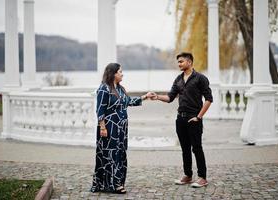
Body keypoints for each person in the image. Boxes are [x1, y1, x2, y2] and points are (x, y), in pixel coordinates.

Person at [151, 52, 213, 188]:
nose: (179, 64)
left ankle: (202, 177)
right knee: (185, 149)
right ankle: (188, 175)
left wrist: (198, 117)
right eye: (178, 62)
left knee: (197, 148)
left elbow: (209, 99)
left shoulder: (200, 78)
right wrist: (157, 97)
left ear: (189, 62)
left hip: (194, 118)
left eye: (181, 61)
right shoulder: (178, 79)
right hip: (180, 119)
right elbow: (170, 98)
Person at [91, 63, 154, 194]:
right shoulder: (104, 89)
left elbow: (128, 102)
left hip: (121, 129)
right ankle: (113, 185)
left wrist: (145, 97)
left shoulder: (120, 89)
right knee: (109, 155)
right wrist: (102, 127)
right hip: (109, 128)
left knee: (120, 154)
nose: (122, 74)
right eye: (120, 72)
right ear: (113, 73)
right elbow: (100, 110)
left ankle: (118, 181)